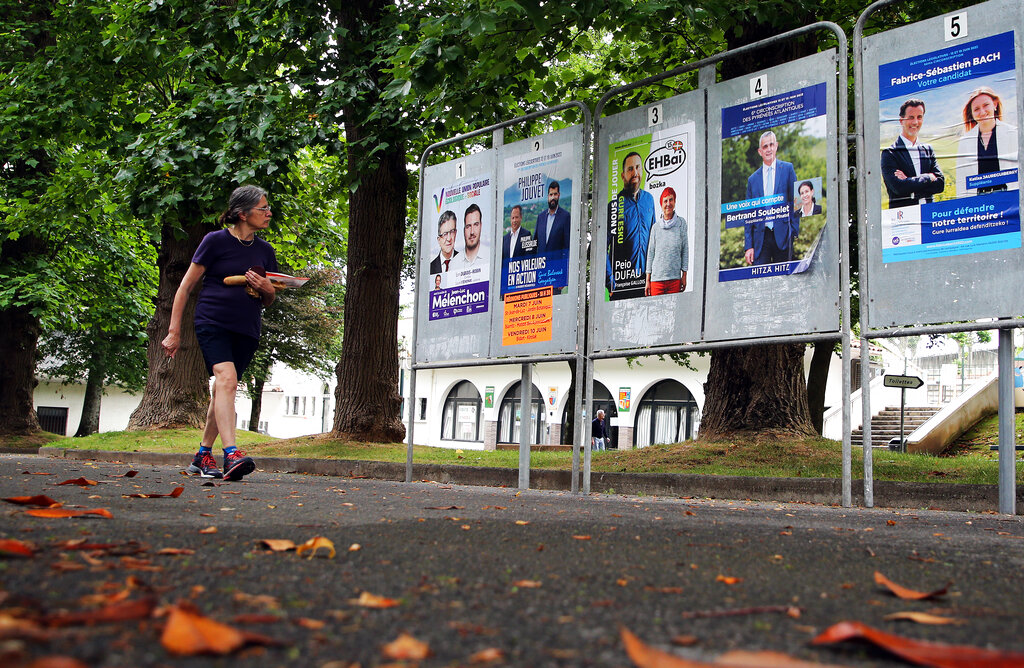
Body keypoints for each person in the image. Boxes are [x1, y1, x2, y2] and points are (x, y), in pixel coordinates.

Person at [161, 185, 276, 481]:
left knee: (222, 389)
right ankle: (232, 454)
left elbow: (270, 298)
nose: (268, 213)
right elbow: (185, 287)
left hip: (247, 329)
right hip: (212, 321)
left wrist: (266, 289)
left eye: (267, 208)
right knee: (227, 379)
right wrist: (174, 332)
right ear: (242, 213)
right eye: (262, 208)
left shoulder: (265, 251)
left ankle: (202, 455)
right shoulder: (215, 241)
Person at [744, 130, 798, 265]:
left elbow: (796, 202)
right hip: (760, 240)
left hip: (784, 236)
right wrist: (748, 246)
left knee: (784, 282)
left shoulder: (787, 169)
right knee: (761, 283)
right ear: (759, 151)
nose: (768, 149)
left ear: (776, 146)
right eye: (765, 146)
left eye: (771, 145)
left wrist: (793, 232)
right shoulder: (752, 180)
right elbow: (749, 214)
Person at [607, 152, 656, 295]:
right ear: (623, 175)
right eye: (630, 169)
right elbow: (601, 247)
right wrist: (610, 280)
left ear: (642, 170)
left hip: (647, 284)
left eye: (637, 167)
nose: (635, 173)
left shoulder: (649, 199)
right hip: (623, 286)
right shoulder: (614, 206)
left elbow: (654, 239)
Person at [881, 98, 945, 208]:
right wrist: (928, 177)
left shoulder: (928, 150)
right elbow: (898, 188)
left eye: (919, 117)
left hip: (929, 214)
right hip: (904, 219)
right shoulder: (890, 153)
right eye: (911, 117)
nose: (915, 122)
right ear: (901, 121)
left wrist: (909, 184)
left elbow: (940, 184)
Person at [955, 86, 1019, 196]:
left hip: (1009, 197)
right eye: (976, 109)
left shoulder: (1013, 133)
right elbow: (962, 180)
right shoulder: (965, 141)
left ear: (995, 104)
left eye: (986, 105)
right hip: (979, 202)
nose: (982, 111)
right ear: (972, 114)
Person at [645, 187, 688, 295]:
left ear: (674, 201)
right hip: (656, 281)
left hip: (674, 280)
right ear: (661, 204)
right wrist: (647, 280)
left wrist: (684, 275)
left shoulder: (681, 223)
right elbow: (650, 253)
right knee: (655, 311)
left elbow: (685, 250)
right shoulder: (655, 227)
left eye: (671, 200)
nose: (668, 203)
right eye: (665, 201)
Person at [451, 203, 488, 286]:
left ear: (481, 226)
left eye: (476, 225)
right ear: (464, 229)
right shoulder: (453, 263)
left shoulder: (490, 257)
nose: (472, 232)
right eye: (468, 226)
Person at [535, 180, 571, 254]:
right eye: (551, 195)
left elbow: (567, 245)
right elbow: (535, 243)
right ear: (548, 196)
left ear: (559, 195)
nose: (553, 197)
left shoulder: (565, 216)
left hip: (557, 263)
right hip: (541, 263)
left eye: (555, 194)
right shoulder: (540, 217)